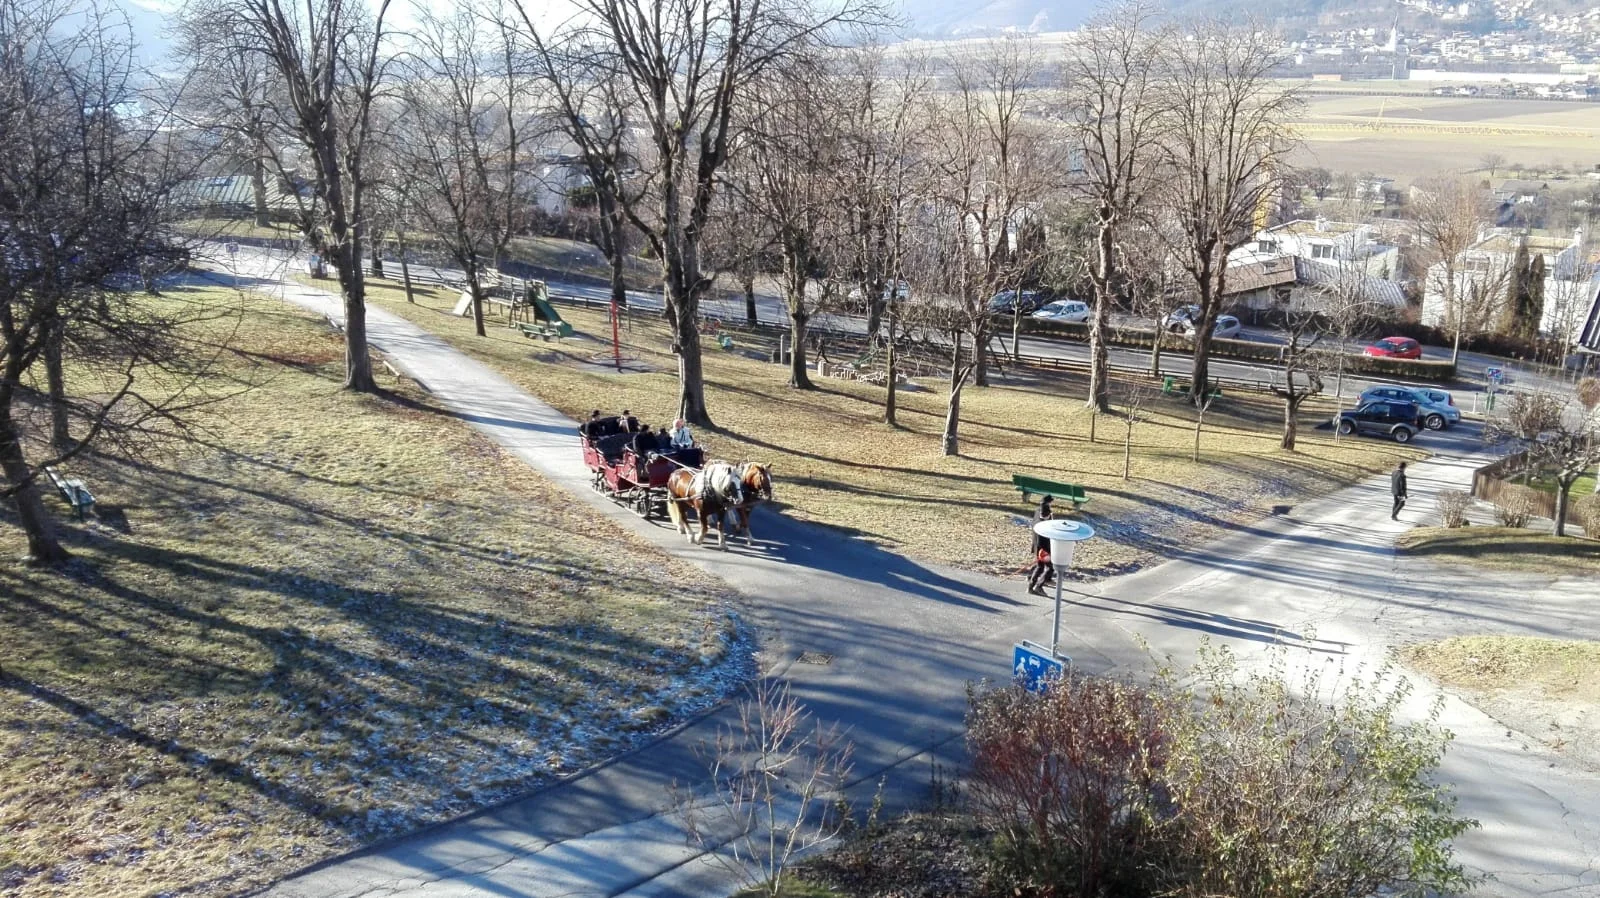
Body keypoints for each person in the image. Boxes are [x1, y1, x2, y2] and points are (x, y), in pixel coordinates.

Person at [1026, 504, 1056, 596]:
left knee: (1039, 566)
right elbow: (1042, 542)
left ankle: (1031, 582)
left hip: (1036, 547)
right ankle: (1038, 586)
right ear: (1047, 514)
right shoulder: (1042, 526)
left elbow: (1041, 506)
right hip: (1042, 550)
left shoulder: (1037, 513)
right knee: (1049, 567)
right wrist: (1049, 553)